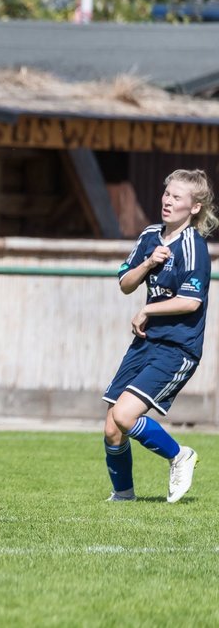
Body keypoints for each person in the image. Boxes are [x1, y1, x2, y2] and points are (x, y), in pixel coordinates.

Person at [103, 168, 215, 503]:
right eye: (167, 194)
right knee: (111, 427)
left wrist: (148, 310)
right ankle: (123, 496)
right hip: (144, 343)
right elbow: (125, 284)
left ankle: (180, 455)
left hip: (177, 348)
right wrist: (149, 262)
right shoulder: (150, 236)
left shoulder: (193, 246)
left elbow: (191, 300)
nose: (167, 201)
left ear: (194, 207)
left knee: (125, 416)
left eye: (176, 197)